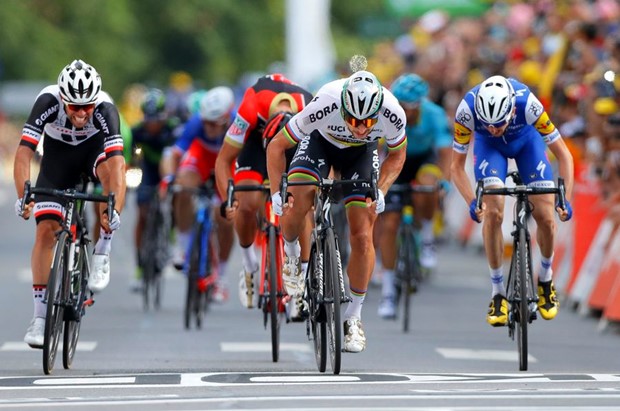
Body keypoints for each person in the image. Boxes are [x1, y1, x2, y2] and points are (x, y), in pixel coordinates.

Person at [266, 66, 407, 352]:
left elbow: (397, 153)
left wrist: (382, 190)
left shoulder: (393, 112)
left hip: (361, 155)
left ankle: (353, 318)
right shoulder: (326, 102)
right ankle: (292, 254)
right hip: (320, 144)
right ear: (342, 107)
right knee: (299, 198)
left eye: (368, 121)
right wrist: (276, 193)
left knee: (363, 234)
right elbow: (276, 146)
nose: (360, 127)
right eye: (354, 119)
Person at [13, 59, 126, 348]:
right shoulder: (47, 101)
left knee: (107, 181)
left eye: (86, 106)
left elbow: (117, 166)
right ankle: (40, 318)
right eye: (74, 106)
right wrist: (22, 195)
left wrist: (114, 209)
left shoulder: (105, 110)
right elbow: (24, 153)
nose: (81, 113)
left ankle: (102, 250)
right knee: (45, 231)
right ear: (63, 99)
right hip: (57, 159)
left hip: (93, 155)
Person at [450, 74, 574, 327]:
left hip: (527, 144)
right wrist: (472, 201)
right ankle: (497, 293)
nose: (494, 129)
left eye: (500, 123)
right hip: (489, 149)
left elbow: (565, 155)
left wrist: (565, 199)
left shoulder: (527, 103)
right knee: (493, 213)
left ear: (510, 110)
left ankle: (546, 280)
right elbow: (456, 167)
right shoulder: (466, 110)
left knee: (546, 216)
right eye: (489, 124)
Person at [214, 74, 313, 313]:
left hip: (293, 142)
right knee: (246, 203)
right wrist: (230, 198)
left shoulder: (309, 109)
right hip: (256, 145)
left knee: (302, 207)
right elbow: (223, 161)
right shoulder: (250, 107)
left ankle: (304, 278)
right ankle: (249, 266)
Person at [376, 73, 452, 319]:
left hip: (423, 160)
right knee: (388, 224)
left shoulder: (434, 114)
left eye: (410, 109)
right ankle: (388, 290)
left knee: (427, 184)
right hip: (396, 160)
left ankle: (427, 236)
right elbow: (375, 150)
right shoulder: (387, 112)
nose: (405, 114)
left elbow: (444, 153)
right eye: (401, 107)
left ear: (420, 104)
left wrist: (445, 182)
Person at [160, 86, 236, 302]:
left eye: (214, 123)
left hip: (228, 160)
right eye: (206, 123)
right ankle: (183, 247)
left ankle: (220, 276)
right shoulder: (196, 123)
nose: (209, 127)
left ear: (226, 118)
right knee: (183, 187)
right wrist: (168, 179)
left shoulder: (238, 123)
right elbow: (173, 155)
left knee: (226, 217)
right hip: (202, 157)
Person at [131, 88, 181, 291]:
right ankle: (140, 266)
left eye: (156, 119)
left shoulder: (173, 129)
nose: (152, 124)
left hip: (168, 169)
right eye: (148, 119)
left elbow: (179, 155)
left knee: (176, 200)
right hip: (148, 172)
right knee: (142, 215)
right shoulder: (137, 132)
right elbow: (131, 156)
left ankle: (171, 238)